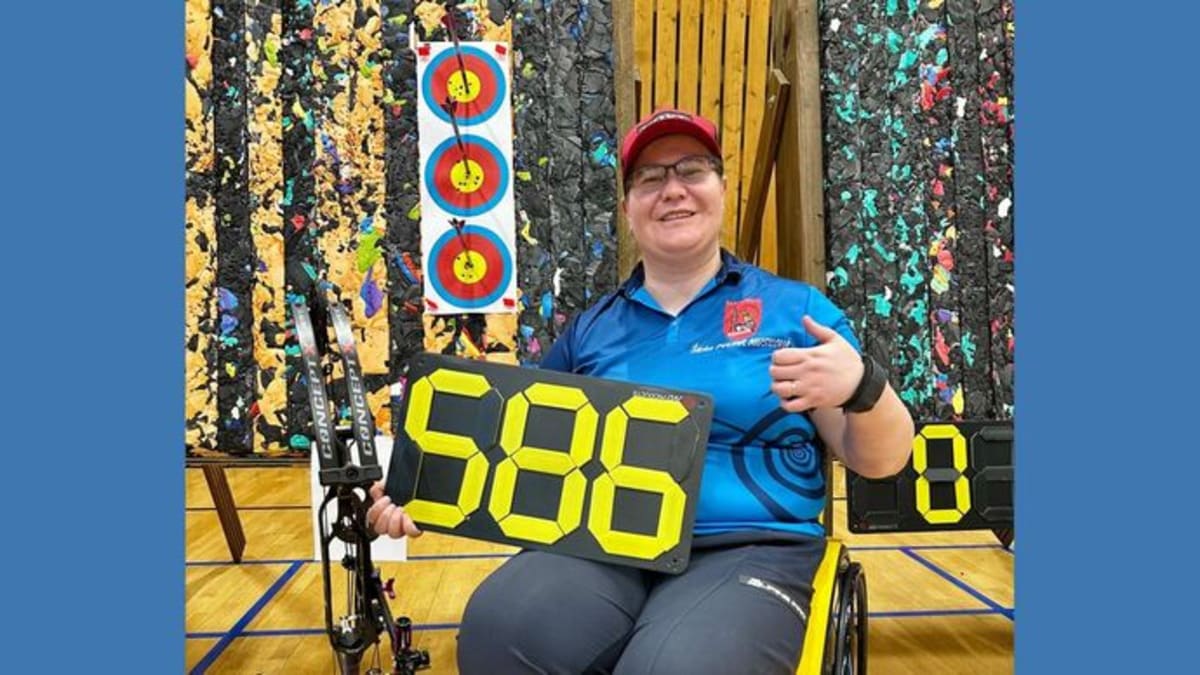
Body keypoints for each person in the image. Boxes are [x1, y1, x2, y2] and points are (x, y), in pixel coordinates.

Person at [368, 108, 915, 674]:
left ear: (722, 189)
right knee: (500, 632)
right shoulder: (591, 330)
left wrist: (861, 386)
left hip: (749, 547)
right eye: (650, 179)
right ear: (628, 208)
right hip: (600, 546)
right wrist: (421, 488)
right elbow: (510, 446)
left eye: (692, 171)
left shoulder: (795, 311)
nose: (672, 190)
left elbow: (882, 460)